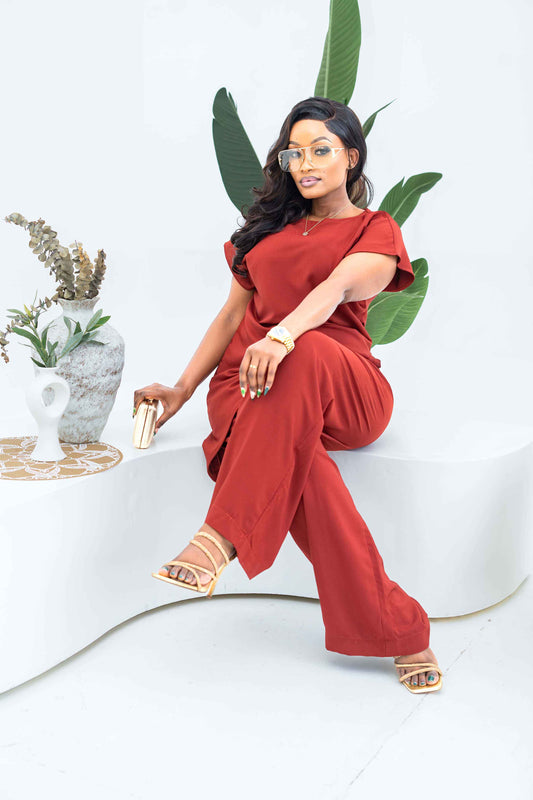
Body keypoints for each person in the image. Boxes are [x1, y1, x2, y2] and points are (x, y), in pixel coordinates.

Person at [133, 96, 443, 694]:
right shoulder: (265, 232)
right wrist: (181, 388)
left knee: (306, 350)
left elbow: (338, 287)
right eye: (293, 153)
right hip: (251, 385)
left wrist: (281, 337)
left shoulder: (374, 229)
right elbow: (231, 316)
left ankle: (220, 536)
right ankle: (400, 628)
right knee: (311, 477)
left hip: (344, 385)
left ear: (351, 157)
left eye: (321, 150)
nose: (305, 163)